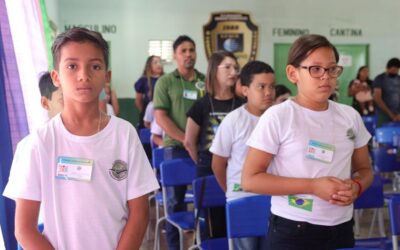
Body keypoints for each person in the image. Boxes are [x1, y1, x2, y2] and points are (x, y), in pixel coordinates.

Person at [3, 27, 159, 250]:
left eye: (95, 66)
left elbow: (140, 213)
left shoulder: (124, 134)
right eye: (72, 66)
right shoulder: (40, 142)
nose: (84, 75)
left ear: (107, 76)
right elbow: (24, 229)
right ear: (56, 77)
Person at [241, 34, 373, 250]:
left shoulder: (350, 116)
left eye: (332, 69)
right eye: (315, 69)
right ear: (293, 73)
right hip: (293, 230)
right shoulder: (279, 116)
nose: (325, 77)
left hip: (341, 228)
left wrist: (356, 187)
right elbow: (250, 180)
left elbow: (365, 169)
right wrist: (312, 186)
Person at [210, 60, 276, 249]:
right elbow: (217, 164)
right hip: (242, 198)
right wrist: (232, 191)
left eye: (271, 86)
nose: (268, 92)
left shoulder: (279, 119)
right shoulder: (233, 121)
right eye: (261, 87)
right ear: (245, 90)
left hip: (273, 198)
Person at [153, 35, 205, 250]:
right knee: (175, 201)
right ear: (175, 55)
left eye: (191, 50)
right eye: (183, 51)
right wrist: (185, 138)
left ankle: (200, 244)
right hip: (176, 148)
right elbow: (161, 117)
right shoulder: (166, 81)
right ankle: (174, 247)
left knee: (205, 198)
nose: (188, 54)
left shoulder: (205, 81)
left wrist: (195, 142)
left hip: (201, 149)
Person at [184, 51, 243, 177]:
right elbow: (189, 142)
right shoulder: (201, 105)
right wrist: (202, 163)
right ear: (214, 70)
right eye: (227, 67)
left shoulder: (243, 105)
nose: (233, 72)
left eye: (235, 68)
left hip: (236, 170)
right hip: (207, 171)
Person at [134, 55, 164, 128]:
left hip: (162, 112)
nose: (159, 64)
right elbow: (138, 101)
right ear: (149, 66)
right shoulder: (143, 80)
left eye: (160, 62)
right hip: (148, 114)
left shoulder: (166, 79)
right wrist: (146, 113)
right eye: (155, 62)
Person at [373, 57, 400, 126]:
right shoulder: (379, 78)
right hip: (383, 113)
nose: (395, 72)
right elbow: (377, 98)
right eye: (393, 70)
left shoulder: (398, 79)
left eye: (397, 70)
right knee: (382, 132)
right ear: (387, 68)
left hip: (398, 114)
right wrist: (391, 114)